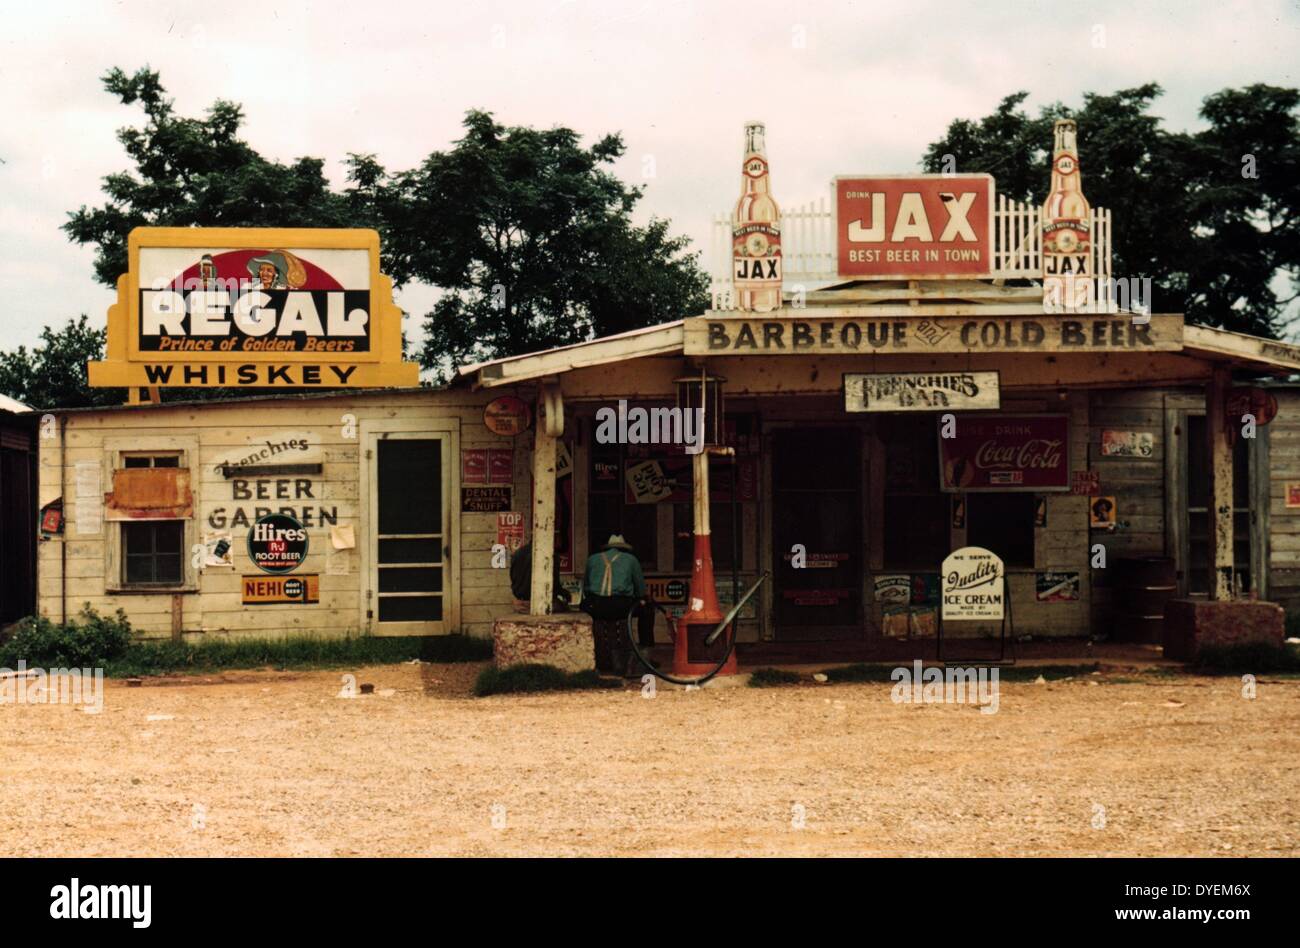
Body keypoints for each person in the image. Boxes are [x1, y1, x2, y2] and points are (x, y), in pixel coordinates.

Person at [581, 534, 653, 677]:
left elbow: (586, 586)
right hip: (621, 606)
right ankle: (645, 650)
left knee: (587, 609)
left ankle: (600, 655)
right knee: (648, 610)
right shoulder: (631, 560)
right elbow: (640, 589)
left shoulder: (592, 559)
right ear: (623, 549)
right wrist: (643, 598)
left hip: (597, 606)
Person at [509, 541, 570, 613]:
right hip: (543, 603)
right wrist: (565, 594)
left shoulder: (517, 554)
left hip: (521, 604)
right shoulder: (550, 554)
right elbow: (554, 585)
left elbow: (513, 579)